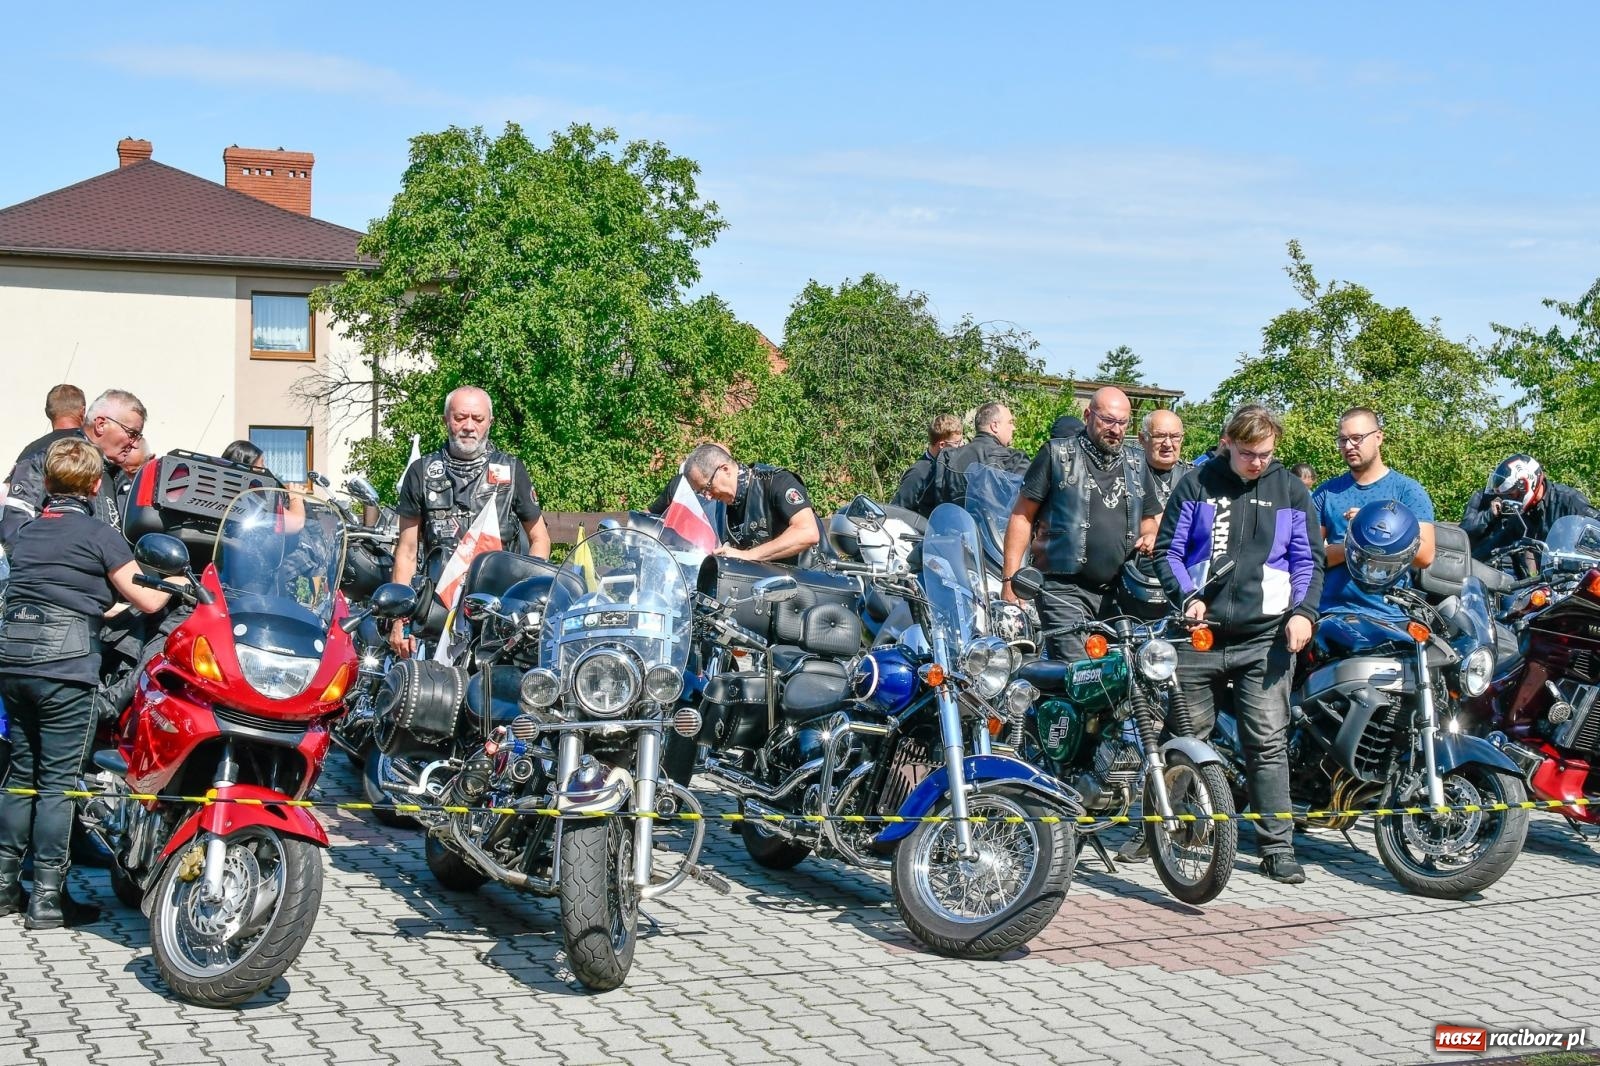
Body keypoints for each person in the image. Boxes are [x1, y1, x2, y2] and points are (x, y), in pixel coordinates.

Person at [0, 439, 179, 928]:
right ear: (96, 485)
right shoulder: (101, 534)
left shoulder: (29, 532)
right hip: (66, 667)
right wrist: (175, 585)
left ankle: (5, 888)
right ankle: (49, 902)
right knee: (58, 783)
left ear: (49, 485)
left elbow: (59, 588)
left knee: (20, 776)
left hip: (14, 663)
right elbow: (148, 602)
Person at [1155, 404, 1325, 885]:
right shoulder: (1196, 483)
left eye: (1266, 454)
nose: (1257, 463)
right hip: (1199, 636)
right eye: (1249, 453)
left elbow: (1307, 559)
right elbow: (1168, 552)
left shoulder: (1289, 487)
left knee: (1267, 741)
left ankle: (1277, 848)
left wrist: (1303, 613)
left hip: (1265, 637)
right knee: (1185, 736)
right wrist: (1187, 596)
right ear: (1228, 442)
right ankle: (1170, 830)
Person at [390, 388, 550, 656]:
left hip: (497, 609)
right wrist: (400, 620)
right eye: (460, 417)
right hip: (436, 607)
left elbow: (540, 539)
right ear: (445, 419)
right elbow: (406, 551)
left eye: (477, 418)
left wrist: (526, 601)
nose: (468, 426)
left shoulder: (511, 470)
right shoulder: (420, 472)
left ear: (490, 422)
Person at [1002, 386, 1158, 660]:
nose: (1116, 429)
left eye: (1122, 422)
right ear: (1088, 415)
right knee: (1080, 672)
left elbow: (1150, 518)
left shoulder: (1136, 462)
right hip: (1063, 589)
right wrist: (1010, 580)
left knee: (1122, 675)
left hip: (1119, 592)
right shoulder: (1056, 454)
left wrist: (1150, 534)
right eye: (1108, 420)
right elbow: (1022, 516)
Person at [1312, 408, 1435, 622]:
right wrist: (1355, 544)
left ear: (1378, 437)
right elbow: (1307, 556)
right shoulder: (1327, 492)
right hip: (1330, 613)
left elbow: (1425, 556)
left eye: (1357, 438)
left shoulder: (1408, 490)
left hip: (1390, 615)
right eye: (1342, 440)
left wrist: (1374, 527)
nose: (1348, 446)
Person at [2, 388, 145, 544]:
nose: (135, 444)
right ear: (101, 424)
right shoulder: (48, 459)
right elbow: (14, 531)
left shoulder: (118, 475)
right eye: (132, 434)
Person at [683, 443, 820, 564]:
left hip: (814, 582)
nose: (707, 496)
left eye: (707, 487)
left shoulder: (776, 482)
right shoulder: (721, 506)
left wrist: (748, 555)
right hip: (769, 585)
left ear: (725, 469)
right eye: (701, 492)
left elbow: (807, 532)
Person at [1461, 454, 1595, 566]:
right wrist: (1469, 564)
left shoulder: (1569, 501)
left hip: (1577, 577)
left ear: (1526, 485)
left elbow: (1596, 525)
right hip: (1548, 580)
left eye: (1511, 494)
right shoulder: (1524, 513)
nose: (1507, 499)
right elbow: (1497, 543)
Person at [920, 401, 1030, 512]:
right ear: (995, 426)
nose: (1013, 428)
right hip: (996, 529)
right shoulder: (1015, 460)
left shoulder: (947, 457)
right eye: (1010, 422)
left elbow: (926, 505)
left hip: (953, 528)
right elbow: (1027, 507)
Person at [890, 414, 963, 515]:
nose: (962, 446)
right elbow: (897, 511)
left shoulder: (951, 465)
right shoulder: (917, 474)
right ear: (942, 445)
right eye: (957, 443)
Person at [12, 384, 85, 467]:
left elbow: (17, 479)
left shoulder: (32, 451)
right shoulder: (95, 447)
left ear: (47, 413)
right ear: (83, 411)